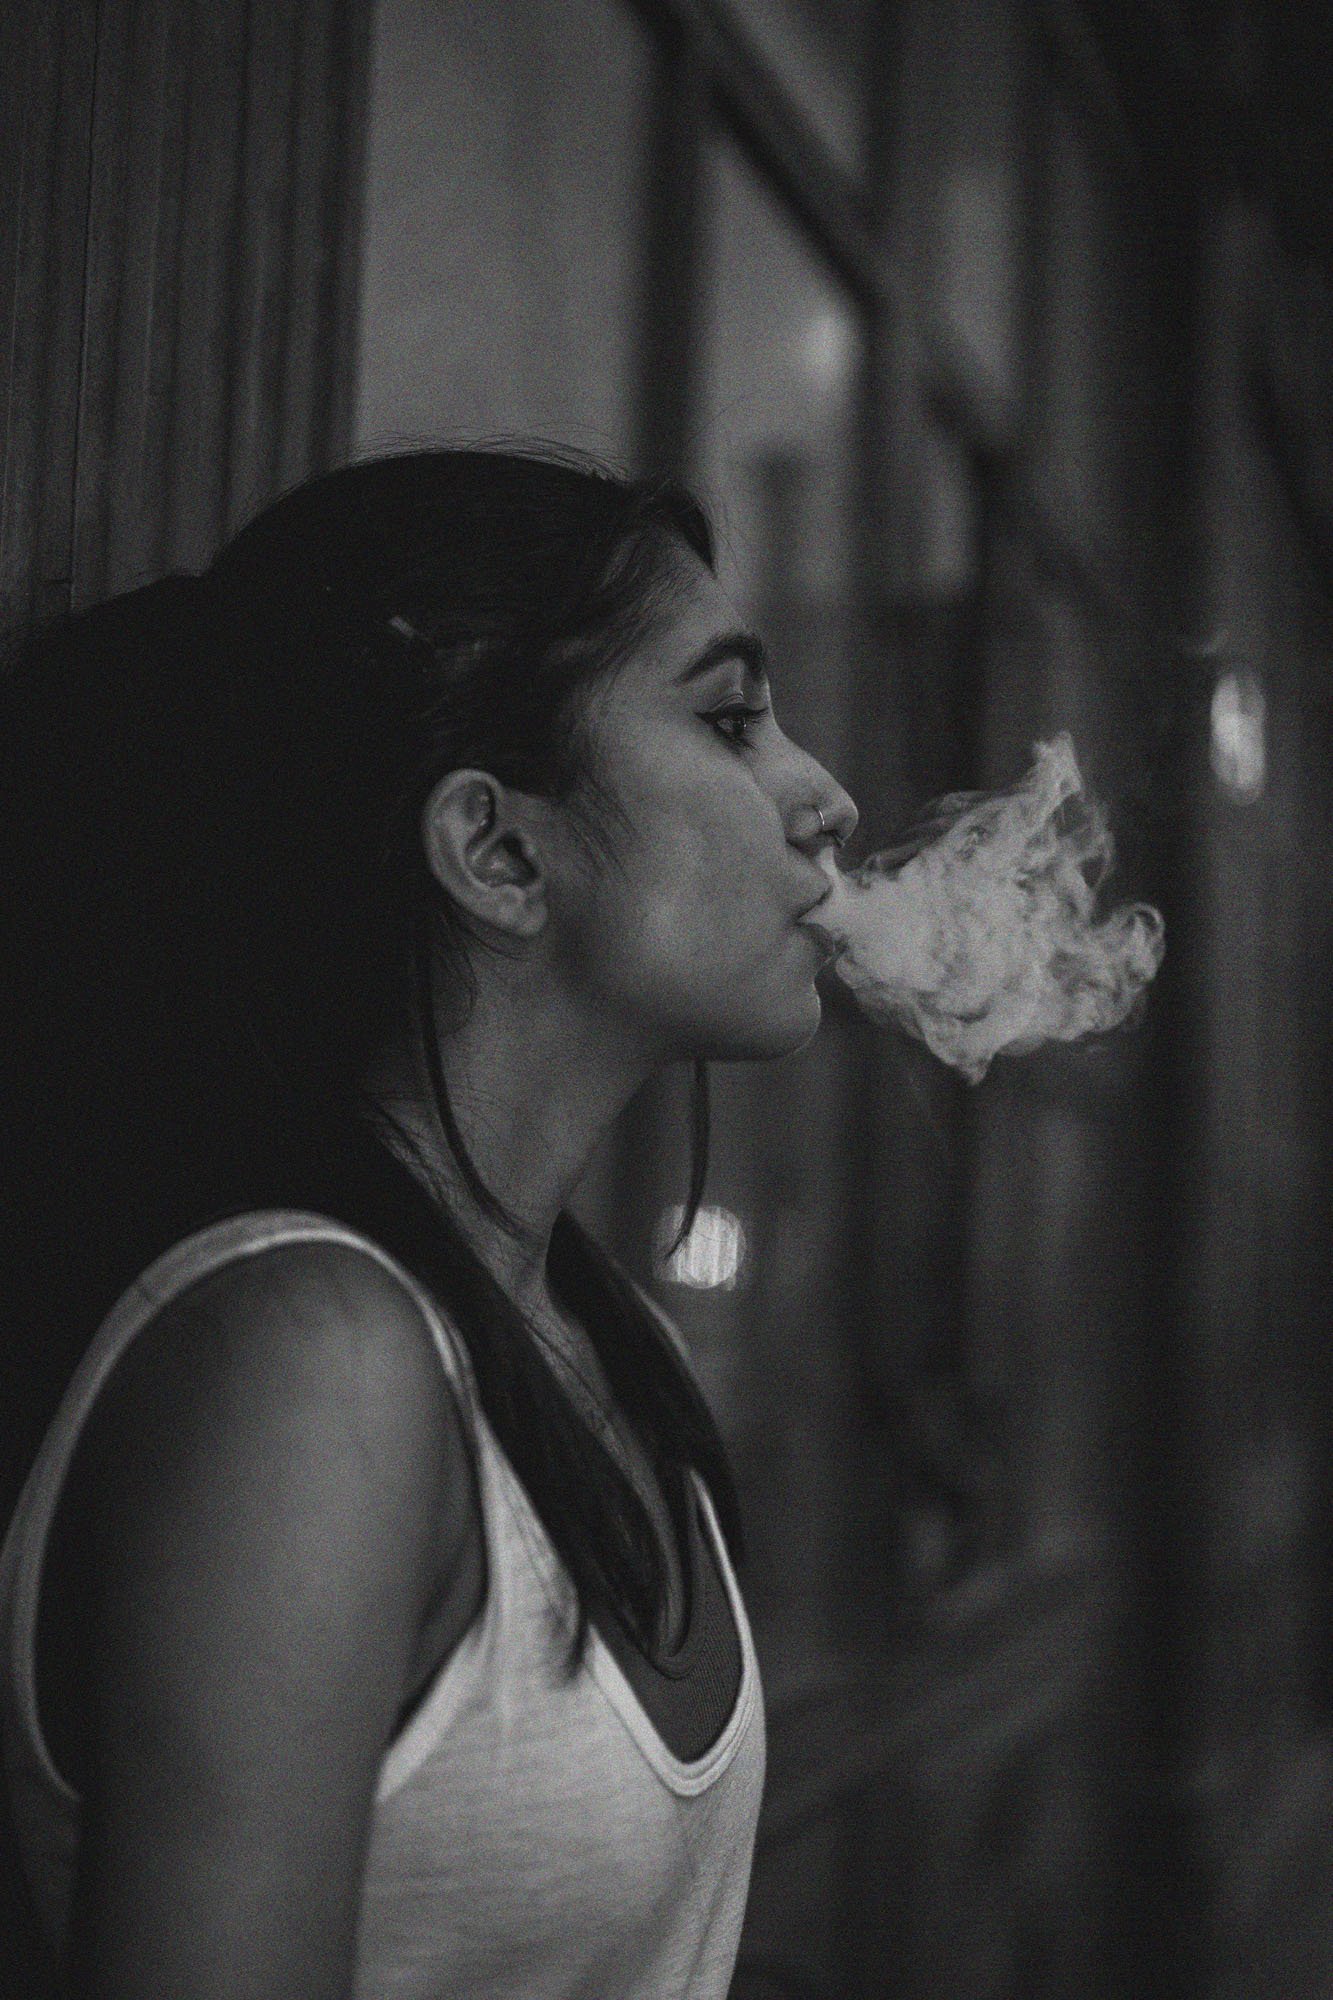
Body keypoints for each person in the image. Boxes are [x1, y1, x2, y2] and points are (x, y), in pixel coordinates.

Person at [0, 446, 857, 1999]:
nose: (824, 797)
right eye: (730, 719)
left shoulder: (607, 1339)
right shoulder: (305, 1363)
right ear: (499, 852)